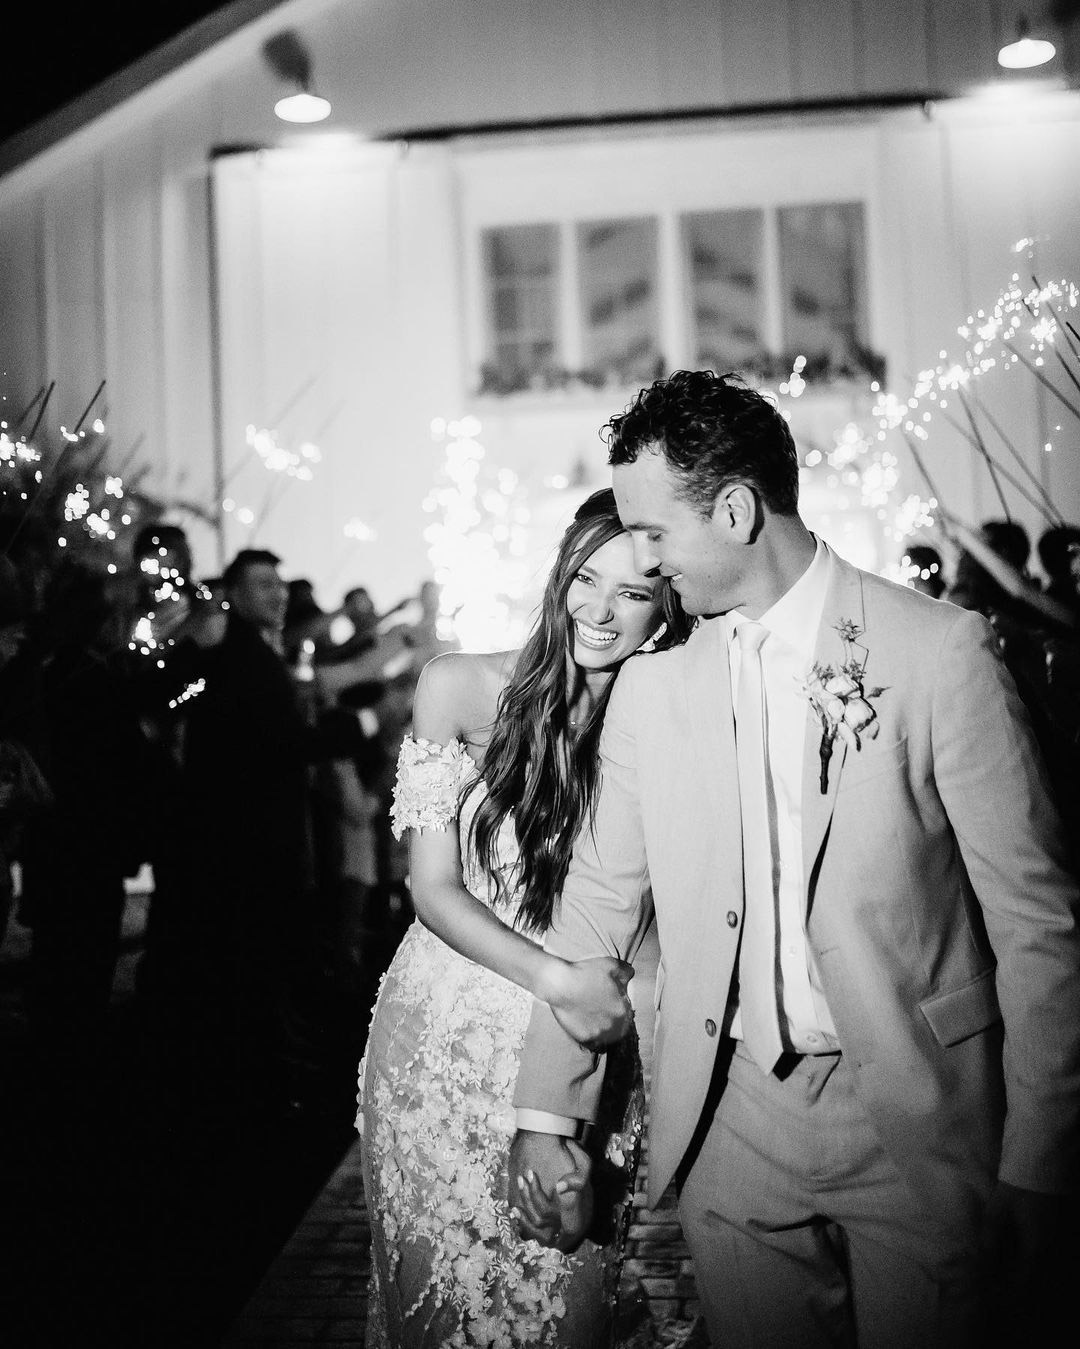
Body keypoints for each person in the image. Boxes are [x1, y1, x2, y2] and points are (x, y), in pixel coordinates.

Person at [508, 370, 1080, 1349]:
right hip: (730, 1117)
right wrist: (546, 1111)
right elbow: (600, 901)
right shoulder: (654, 689)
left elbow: (1038, 925)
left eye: (651, 533)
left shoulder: (941, 652)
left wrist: (1042, 1157)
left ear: (734, 511)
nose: (640, 561)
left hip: (915, 1113)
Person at [356, 488, 692, 1349]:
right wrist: (559, 980)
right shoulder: (459, 686)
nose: (602, 610)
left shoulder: (665, 717)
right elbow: (431, 888)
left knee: (563, 1291)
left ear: (667, 604)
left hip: (576, 1048)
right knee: (442, 1298)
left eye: (634, 592)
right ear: (559, 575)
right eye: (587, 578)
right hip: (446, 1031)